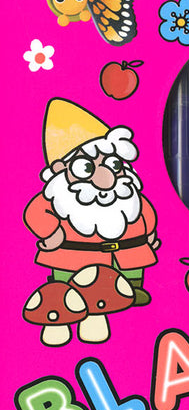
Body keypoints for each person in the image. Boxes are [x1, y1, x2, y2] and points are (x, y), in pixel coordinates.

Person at [24, 98, 160, 305]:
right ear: (60, 169)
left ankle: (132, 288)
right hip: (73, 257)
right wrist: (51, 232)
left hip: (128, 254)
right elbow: (35, 214)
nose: (106, 176)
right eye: (86, 167)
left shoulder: (127, 195)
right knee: (70, 284)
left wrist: (149, 232)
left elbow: (144, 211)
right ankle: (67, 292)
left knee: (131, 273)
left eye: (113, 164)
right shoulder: (58, 198)